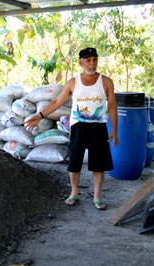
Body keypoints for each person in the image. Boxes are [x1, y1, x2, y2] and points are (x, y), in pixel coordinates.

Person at [24, 47, 118, 211]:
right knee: (74, 161)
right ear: (81, 63)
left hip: (98, 127)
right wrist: (40, 116)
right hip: (78, 127)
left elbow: (112, 107)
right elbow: (56, 103)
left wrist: (114, 130)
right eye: (88, 60)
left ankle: (97, 196)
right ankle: (74, 192)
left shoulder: (106, 82)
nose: (92, 63)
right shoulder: (73, 82)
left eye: (94, 59)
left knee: (98, 164)